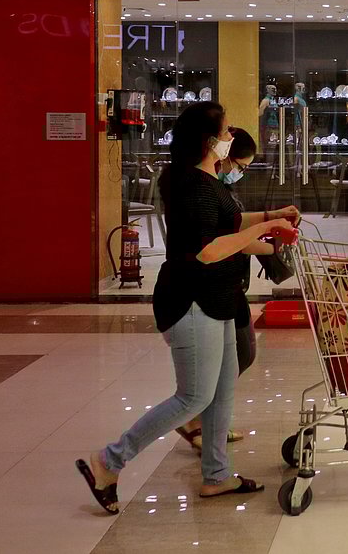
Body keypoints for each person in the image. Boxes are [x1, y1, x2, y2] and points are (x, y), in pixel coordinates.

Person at [76, 102, 299, 514]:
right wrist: (266, 229)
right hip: (192, 298)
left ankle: (216, 475)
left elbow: (227, 224)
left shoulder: (205, 179)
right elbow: (208, 250)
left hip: (219, 298)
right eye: (227, 130)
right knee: (194, 398)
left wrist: (270, 224)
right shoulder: (192, 185)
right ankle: (109, 461)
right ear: (209, 140)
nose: (231, 136)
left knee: (222, 391)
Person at [172, 127, 287, 452]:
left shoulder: (217, 187)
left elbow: (234, 224)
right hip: (210, 287)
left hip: (228, 283)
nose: (241, 172)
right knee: (233, 359)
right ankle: (196, 423)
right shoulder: (201, 189)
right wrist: (270, 243)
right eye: (241, 165)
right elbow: (219, 242)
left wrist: (271, 219)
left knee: (240, 355)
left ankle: (211, 438)